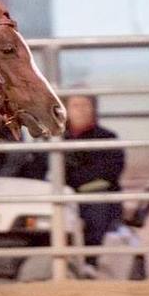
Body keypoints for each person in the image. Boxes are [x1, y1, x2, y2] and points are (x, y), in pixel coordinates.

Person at [63, 94, 125, 271]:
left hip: (94, 197)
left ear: (94, 109)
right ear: (66, 109)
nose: (81, 110)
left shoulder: (108, 137)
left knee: (96, 208)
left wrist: (73, 183)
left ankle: (90, 263)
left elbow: (109, 172)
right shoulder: (55, 138)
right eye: (75, 105)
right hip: (63, 195)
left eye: (85, 105)